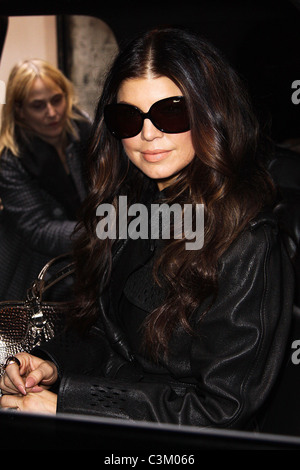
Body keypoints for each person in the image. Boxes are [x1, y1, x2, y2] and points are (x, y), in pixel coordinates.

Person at [0, 27, 294, 431]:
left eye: (171, 112)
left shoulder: (247, 241)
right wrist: (49, 365)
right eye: (128, 117)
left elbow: (221, 411)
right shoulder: (135, 212)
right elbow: (109, 337)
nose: (148, 133)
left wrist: (69, 404)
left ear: (211, 112)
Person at [0, 59, 91, 300]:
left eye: (57, 100)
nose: (52, 112)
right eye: (38, 105)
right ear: (19, 110)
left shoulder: (84, 131)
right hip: (39, 273)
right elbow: (38, 229)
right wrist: (99, 233)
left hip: (86, 261)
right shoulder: (12, 158)